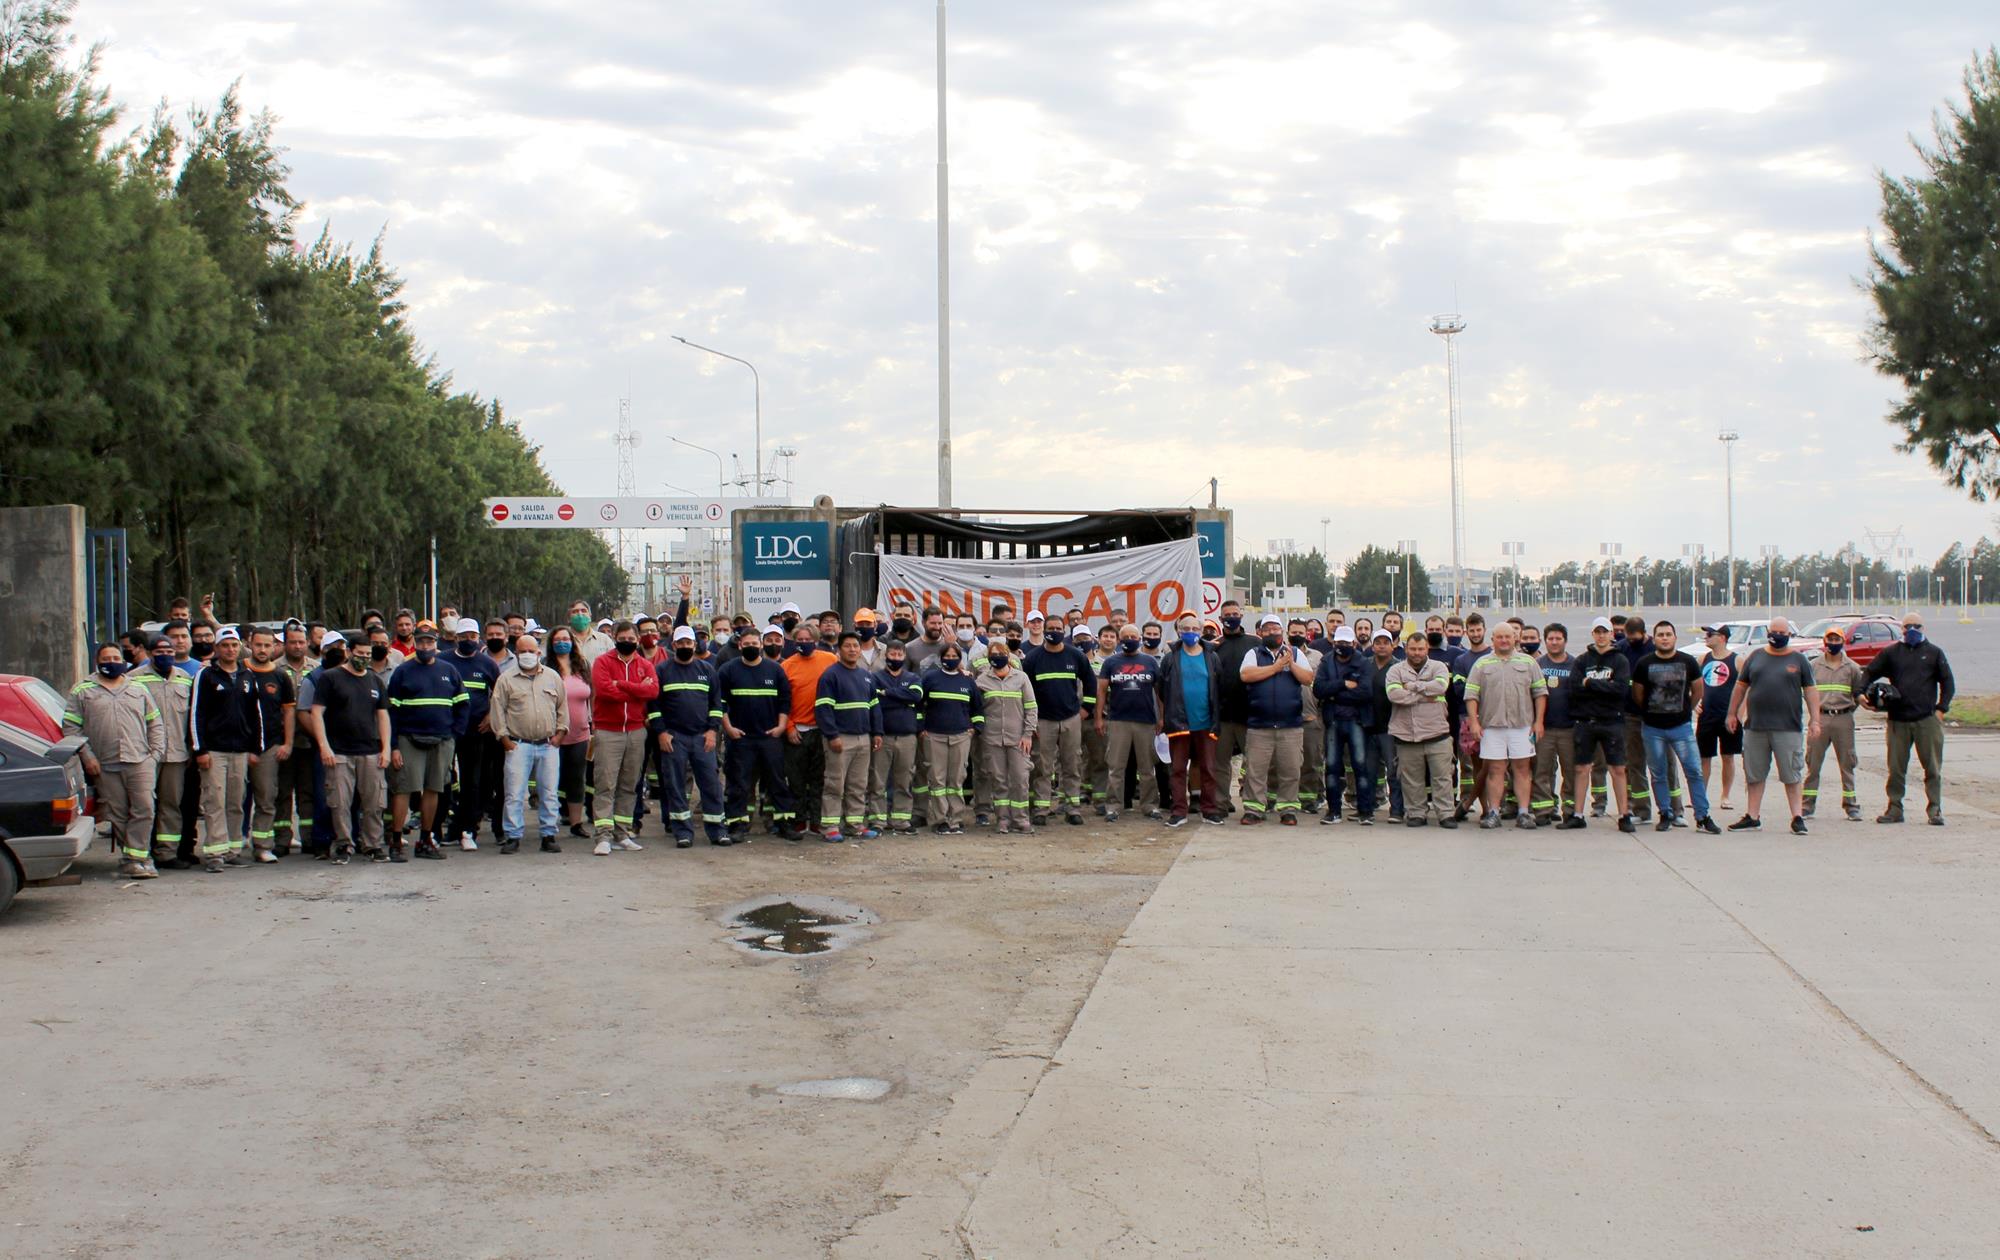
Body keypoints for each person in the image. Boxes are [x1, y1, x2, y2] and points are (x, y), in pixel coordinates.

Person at [66, 643, 165, 878]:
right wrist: (87, 757)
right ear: (97, 662)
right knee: (118, 813)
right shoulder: (82, 690)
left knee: (145, 808)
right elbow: (71, 728)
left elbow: (155, 723)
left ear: (123, 660)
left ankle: (139, 857)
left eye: (115, 657)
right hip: (104, 764)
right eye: (106, 658)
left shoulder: (138, 688)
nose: (111, 662)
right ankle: (132, 860)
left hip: (140, 759)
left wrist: (155, 754)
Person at [1722, 617, 1820, 835]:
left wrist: (1815, 719)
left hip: (1788, 728)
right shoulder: (1756, 657)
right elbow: (1740, 687)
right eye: (1773, 632)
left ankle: (1797, 817)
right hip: (1756, 727)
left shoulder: (1799, 660)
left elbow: (1811, 691)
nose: (1777, 636)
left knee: (1791, 774)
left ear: (1789, 635)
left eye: (1782, 633)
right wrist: (1732, 713)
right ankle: (1752, 816)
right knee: (1754, 774)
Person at [385, 625, 469, 861]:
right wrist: (393, 746)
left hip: (442, 740)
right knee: (403, 789)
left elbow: (463, 703)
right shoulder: (403, 672)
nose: (425, 646)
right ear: (415, 643)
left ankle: (425, 839)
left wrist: (454, 734)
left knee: (434, 789)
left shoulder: (449, 670)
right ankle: (396, 841)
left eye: (429, 642)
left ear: (436, 643)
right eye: (421, 642)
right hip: (408, 739)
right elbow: (392, 712)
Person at [1862, 612, 1954, 825]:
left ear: (1923, 628)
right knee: (1896, 769)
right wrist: (1861, 694)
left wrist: (1941, 709)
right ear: (1901, 629)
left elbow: (1948, 683)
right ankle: (1894, 808)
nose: (1912, 630)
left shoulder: (1934, 653)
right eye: (1907, 626)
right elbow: (1869, 673)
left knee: (1932, 768)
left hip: (1926, 720)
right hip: (1898, 721)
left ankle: (1935, 810)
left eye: (1917, 626)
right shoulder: (1891, 653)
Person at [312, 632, 392, 864]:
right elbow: (316, 713)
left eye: (367, 654)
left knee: (374, 803)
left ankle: (373, 845)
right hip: (339, 752)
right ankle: (343, 845)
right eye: (359, 654)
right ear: (348, 652)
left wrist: (386, 748)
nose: (364, 658)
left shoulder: (375, 680)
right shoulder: (331, 678)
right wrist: (324, 747)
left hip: (370, 752)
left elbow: (383, 716)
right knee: (339, 803)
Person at [1635, 621, 1721, 834]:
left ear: (1675, 637)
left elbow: (1698, 690)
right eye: (1660, 634)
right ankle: (1665, 813)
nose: (1664, 638)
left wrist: (1686, 710)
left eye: (1668, 634)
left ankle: (1702, 816)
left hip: (1681, 728)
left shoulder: (1687, 661)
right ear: (1654, 638)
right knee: (1658, 773)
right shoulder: (1644, 663)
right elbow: (1638, 694)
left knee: (1694, 771)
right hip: (1653, 728)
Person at [189, 626, 263, 870]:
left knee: (236, 801)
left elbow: (255, 714)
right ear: (216, 648)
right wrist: (200, 749)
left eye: (234, 645)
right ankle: (215, 852)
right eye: (225, 646)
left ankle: (233, 849)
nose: (230, 650)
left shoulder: (247, 675)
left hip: (240, 750)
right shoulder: (206, 675)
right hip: (214, 750)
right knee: (215, 801)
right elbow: (196, 713)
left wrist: (256, 748)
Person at [489, 633, 569, 854]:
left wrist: (560, 735)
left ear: (538, 653)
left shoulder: (552, 677)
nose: (527, 655)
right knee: (514, 793)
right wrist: (505, 740)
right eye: (522, 651)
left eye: (530, 651)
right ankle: (513, 836)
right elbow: (497, 711)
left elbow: (562, 708)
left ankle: (548, 835)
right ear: (516, 653)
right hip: (518, 745)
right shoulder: (506, 679)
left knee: (549, 792)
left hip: (548, 744)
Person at [647, 625, 725, 848]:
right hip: (674, 737)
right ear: (673, 645)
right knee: (676, 785)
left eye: (688, 643)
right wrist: (661, 732)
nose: (684, 646)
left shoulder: (707, 670)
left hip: (703, 737)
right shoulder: (662, 671)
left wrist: (712, 731)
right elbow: (654, 706)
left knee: (711, 784)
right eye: (680, 643)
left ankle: (717, 831)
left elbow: (716, 704)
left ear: (694, 645)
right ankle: (682, 831)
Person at [1464, 622, 1544, 830]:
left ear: (1515, 638)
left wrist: (1538, 722)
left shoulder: (1528, 663)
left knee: (1522, 769)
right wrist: (1474, 722)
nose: (1504, 640)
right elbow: (1471, 695)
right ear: (1493, 640)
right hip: (1492, 727)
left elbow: (1540, 694)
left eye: (1508, 637)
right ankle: (1493, 812)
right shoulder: (1482, 664)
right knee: (1495, 770)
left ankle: (1523, 813)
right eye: (1499, 637)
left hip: (1522, 726)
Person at [717, 629, 796, 841]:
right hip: (740, 739)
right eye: (747, 644)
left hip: (770, 737)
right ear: (740, 646)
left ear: (760, 645)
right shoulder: (728, 670)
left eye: (754, 643)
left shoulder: (775, 670)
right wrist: (729, 728)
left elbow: (785, 702)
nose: (751, 647)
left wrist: (781, 726)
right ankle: (738, 825)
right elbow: (719, 703)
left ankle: (784, 823)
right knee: (739, 783)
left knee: (778, 782)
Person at [589, 620, 659, 853]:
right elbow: (605, 691)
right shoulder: (602, 662)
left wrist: (622, 684)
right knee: (605, 784)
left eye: (631, 639)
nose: (627, 642)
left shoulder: (644, 664)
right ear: (614, 638)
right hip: (608, 731)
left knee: (629, 785)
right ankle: (603, 836)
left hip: (636, 731)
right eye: (622, 639)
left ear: (637, 640)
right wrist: (637, 689)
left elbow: (652, 691)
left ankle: (622, 833)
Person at [1237, 613, 1314, 825]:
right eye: (1267, 629)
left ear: (1282, 631)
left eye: (1275, 628)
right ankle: (1254, 809)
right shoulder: (1254, 653)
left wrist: (1291, 664)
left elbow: (1308, 679)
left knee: (1291, 770)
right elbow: (1246, 675)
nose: (1272, 632)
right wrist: (1277, 667)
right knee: (1256, 771)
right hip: (1259, 726)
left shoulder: (1295, 653)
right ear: (1260, 632)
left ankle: (1288, 809)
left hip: (1290, 726)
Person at [1563, 618, 1635, 832]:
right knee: (1582, 768)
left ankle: (1624, 815)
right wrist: (1604, 686)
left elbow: (1620, 689)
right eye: (1598, 632)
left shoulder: (1620, 660)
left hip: (1612, 721)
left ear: (1611, 634)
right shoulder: (1582, 661)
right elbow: (1575, 688)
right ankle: (1578, 814)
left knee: (1618, 768)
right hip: (1586, 721)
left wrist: (1591, 683)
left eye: (1605, 632)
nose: (1601, 636)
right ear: (1592, 634)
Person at [815, 631, 883, 842]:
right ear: (839, 649)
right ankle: (830, 827)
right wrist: (832, 735)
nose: (852, 649)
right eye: (848, 646)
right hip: (840, 739)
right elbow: (823, 708)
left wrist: (877, 732)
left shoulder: (866, 676)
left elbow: (874, 706)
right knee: (835, 784)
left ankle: (855, 824)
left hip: (863, 738)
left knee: (858, 784)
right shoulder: (830, 675)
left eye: (856, 646)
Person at [1023, 619, 1092, 826]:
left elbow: (1090, 682)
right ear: (1044, 630)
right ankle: (1041, 809)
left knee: (1072, 765)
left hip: (1071, 719)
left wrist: (1086, 709)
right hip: (1043, 721)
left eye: (1058, 629)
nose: (1054, 632)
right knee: (1042, 767)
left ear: (1064, 631)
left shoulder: (1076, 656)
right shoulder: (1033, 658)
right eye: (1051, 628)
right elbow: (1024, 690)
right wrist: (1030, 720)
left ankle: (1072, 808)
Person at [1156, 611, 1220, 827]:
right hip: (1178, 723)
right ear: (1179, 631)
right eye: (1186, 629)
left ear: (1201, 631)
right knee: (1177, 770)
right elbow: (1162, 690)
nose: (1190, 632)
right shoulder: (1170, 658)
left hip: (1206, 723)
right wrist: (1166, 716)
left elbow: (1218, 687)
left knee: (1208, 769)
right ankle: (1179, 812)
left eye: (1194, 629)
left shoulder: (1211, 657)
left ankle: (1209, 810)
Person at [1386, 629, 1454, 827]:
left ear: (1427, 649)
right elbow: (1394, 695)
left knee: (1442, 778)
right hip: (1406, 734)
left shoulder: (1439, 667)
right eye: (1413, 649)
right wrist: (1426, 693)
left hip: (1437, 733)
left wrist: (1412, 686)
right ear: (1406, 649)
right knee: (1411, 779)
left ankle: (1445, 814)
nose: (1416, 653)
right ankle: (1416, 813)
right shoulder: (1395, 671)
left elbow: (1441, 687)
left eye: (1421, 649)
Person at [240, 627, 297, 863]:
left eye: (267, 645)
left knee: (266, 798)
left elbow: (289, 712)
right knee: (234, 800)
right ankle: (231, 845)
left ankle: (263, 846)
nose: (262, 650)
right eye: (258, 645)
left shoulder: (281, 676)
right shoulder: (239, 671)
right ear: (250, 644)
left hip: (270, 746)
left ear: (274, 647)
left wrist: (288, 743)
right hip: (237, 746)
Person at [1097, 624, 1162, 822]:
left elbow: (1160, 693)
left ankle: (1149, 805)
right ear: (1119, 639)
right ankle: (1113, 807)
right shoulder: (1111, 662)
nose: (1130, 640)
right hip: (1118, 721)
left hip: (1146, 721)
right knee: (1116, 768)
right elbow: (1101, 691)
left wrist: (1162, 717)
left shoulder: (1150, 662)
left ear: (1139, 638)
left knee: (1147, 768)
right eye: (1125, 637)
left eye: (1133, 636)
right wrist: (1099, 717)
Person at [974, 638, 1038, 834]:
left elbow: (1031, 707)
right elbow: (975, 708)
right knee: (998, 779)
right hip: (992, 738)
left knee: (1020, 778)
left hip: (1018, 738)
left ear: (1008, 656)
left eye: (1001, 654)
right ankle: (1002, 819)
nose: (998, 657)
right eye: (993, 655)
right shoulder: (981, 681)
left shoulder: (1021, 678)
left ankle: (1021, 819)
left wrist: (1028, 734)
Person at [1314, 627, 1374, 824]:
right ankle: (1334, 811)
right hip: (1333, 721)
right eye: (1339, 643)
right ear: (1334, 643)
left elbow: (1365, 692)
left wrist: (1334, 695)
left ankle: (1365, 811)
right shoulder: (1326, 661)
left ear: (1353, 644)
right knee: (1332, 767)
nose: (1342, 647)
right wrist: (1343, 684)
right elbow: (1318, 689)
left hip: (1356, 720)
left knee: (1360, 766)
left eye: (1346, 644)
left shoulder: (1363, 662)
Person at [1804, 627, 1864, 821]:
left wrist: (1849, 710)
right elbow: (1806, 692)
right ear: (1824, 641)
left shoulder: (1852, 668)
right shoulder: (1813, 666)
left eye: (1837, 639)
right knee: (1813, 764)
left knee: (1847, 764)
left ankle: (1851, 805)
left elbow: (1858, 693)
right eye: (1830, 639)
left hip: (1843, 718)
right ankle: (1807, 805)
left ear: (1843, 641)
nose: (1833, 643)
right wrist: (1814, 716)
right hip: (1819, 718)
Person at [919, 642, 980, 834]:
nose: (950, 659)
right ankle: (940, 820)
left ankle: (956, 819)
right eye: (947, 656)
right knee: (937, 780)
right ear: (941, 658)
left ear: (960, 659)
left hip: (961, 736)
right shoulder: (930, 678)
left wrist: (974, 728)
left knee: (956, 779)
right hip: (934, 735)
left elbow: (977, 708)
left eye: (954, 656)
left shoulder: (967, 681)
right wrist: (921, 728)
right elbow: (919, 705)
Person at [781, 624, 835, 835]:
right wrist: (789, 727)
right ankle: (799, 820)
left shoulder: (830, 660)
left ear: (816, 640)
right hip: (797, 731)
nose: (804, 643)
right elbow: (782, 701)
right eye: (800, 640)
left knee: (819, 779)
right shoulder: (787, 666)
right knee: (796, 780)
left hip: (822, 730)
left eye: (808, 639)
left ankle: (816, 820)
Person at [546, 624, 594, 838]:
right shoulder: (545, 667)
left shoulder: (582, 666)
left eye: (565, 639)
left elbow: (592, 696)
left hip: (580, 733)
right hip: (552, 734)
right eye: (557, 640)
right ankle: (549, 824)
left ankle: (576, 823)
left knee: (576, 779)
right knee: (551, 780)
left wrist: (593, 724)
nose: (562, 643)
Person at [1208, 601, 1257, 813]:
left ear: (1241, 616)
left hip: (1250, 715)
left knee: (1254, 763)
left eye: (1235, 614)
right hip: (1222, 716)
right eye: (1227, 615)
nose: (1231, 618)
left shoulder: (1255, 643)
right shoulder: (1213, 646)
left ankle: (1253, 804)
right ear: (1221, 619)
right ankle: (1221, 802)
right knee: (1220, 763)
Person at [871, 639, 924, 834]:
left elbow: (916, 696)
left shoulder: (913, 677)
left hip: (907, 737)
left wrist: (888, 693)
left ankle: (901, 820)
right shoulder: (876, 677)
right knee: (878, 781)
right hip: (883, 736)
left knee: (904, 780)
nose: (896, 658)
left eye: (899, 655)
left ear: (904, 656)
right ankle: (878, 820)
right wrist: (902, 697)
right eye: (892, 654)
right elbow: (876, 700)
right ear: (886, 656)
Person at [1530, 623, 1577, 826]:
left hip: (1569, 728)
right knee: (1542, 770)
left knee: (1571, 772)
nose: (1554, 642)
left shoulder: (1575, 664)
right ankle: (1543, 810)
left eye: (1558, 639)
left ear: (1565, 640)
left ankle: (1570, 810)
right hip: (1544, 728)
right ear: (1545, 640)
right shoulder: (1537, 665)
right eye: (1551, 639)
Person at [1693, 626, 1743, 813]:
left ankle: (1725, 795)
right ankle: (1701, 795)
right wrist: (1694, 703)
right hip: (1707, 716)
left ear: (1722, 637)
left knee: (1728, 756)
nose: (1706, 638)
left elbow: (1747, 687)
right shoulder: (1703, 659)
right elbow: (1692, 683)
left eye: (1710, 635)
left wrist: (1739, 713)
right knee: (1704, 757)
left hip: (1728, 716)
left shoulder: (1737, 660)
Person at [1363, 626, 1402, 820]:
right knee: (1368, 771)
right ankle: (1367, 809)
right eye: (1377, 643)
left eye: (1386, 643)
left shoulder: (1399, 667)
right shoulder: (1364, 665)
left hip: (1391, 727)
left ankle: (1397, 810)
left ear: (1393, 646)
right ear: (1372, 646)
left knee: (1393, 771)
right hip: (1368, 726)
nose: (1381, 646)